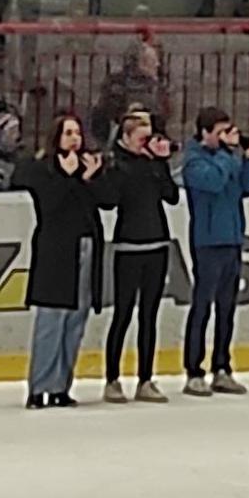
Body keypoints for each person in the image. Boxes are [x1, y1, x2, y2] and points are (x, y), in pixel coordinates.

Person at [14, 113, 106, 408]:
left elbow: (106, 201)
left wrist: (89, 179)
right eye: (68, 133)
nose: (74, 138)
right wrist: (67, 177)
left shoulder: (85, 168)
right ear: (56, 137)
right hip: (56, 253)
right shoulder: (42, 169)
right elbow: (50, 206)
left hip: (86, 247)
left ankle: (60, 387)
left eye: (77, 133)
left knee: (75, 321)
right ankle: (39, 386)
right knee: (52, 320)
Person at [179, 108, 249, 395]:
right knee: (203, 305)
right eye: (220, 132)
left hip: (232, 238)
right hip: (207, 242)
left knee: (227, 307)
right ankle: (194, 370)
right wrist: (229, 155)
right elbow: (214, 182)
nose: (227, 136)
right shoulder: (194, 162)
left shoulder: (227, 158)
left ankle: (222, 366)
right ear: (205, 133)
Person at [96, 107, 179, 402]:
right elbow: (109, 200)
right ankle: (112, 378)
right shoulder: (118, 165)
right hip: (129, 247)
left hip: (156, 245)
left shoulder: (154, 165)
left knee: (149, 315)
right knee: (123, 313)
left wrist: (161, 162)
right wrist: (126, 168)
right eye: (142, 139)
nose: (147, 144)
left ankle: (145, 378)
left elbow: (172, 196)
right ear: (127, 138)